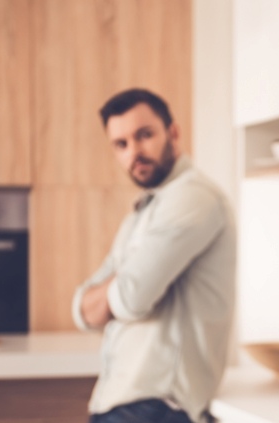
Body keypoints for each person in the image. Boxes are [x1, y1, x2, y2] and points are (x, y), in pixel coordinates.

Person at [71, 88, 236, 423]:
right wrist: (116, 288)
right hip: (123, 403)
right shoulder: (144, 210)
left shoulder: (193, 197)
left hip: (157, 407)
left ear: (172, 133)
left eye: (144, 135)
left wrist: (115, 290)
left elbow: (131, 297)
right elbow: (82, 308)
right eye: (121, 144)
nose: (134, 152)